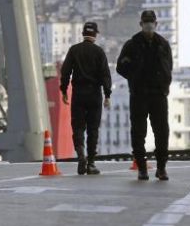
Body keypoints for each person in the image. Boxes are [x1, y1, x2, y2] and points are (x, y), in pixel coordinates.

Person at [116, 10, 172, 181]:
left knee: (162, 132)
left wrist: (164, 84)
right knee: (139, 132)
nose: (149, 25)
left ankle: (161, 168)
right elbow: (121, 67)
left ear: (156, 24)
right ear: (141, 24)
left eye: (151, 22)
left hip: (158, 94)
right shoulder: (131, 44)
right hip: (139, 95)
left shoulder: (163, 44)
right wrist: (134, 75)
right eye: (146, 22)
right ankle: (142, 168)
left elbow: (168, 67)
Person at [60, 21, 112, 175]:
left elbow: (65, 72)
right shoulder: (99, 52)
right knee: (93, 129)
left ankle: (81, 155)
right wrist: (107, 95)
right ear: (95, 34)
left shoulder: (74, 50)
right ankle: (91, 163)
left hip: (78, 94)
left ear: (83, 33)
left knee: (78, 127)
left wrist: (63, 90)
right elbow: (105, 75)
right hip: (95, 95)